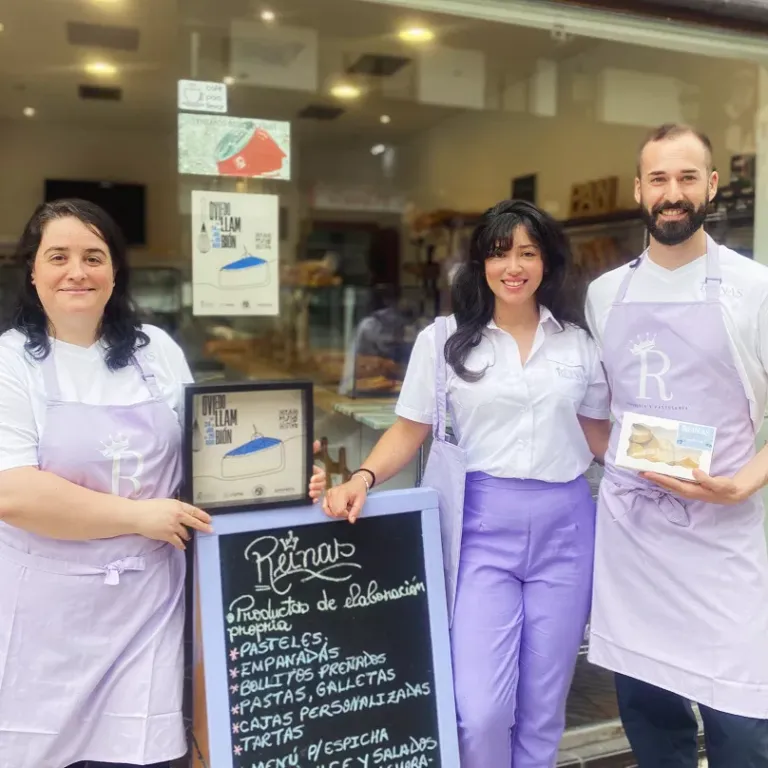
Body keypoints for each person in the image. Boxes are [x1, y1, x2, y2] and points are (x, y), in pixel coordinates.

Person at [0, 199, 326, 768]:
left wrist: (285, 473)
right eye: (59, 256)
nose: (77, 271)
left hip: (149, 606)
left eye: (93, 256)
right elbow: (15, 492)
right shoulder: (10, 363)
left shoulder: (155, 351)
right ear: (32, 270)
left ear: (115, 270)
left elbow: (206, 454)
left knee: (142, 753)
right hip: (47, 614)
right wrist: (139, 517)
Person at [322, 199, 611, 768]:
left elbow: (600, 437)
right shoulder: (446, 340)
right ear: (480, 263)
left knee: (543, 704)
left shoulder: (578, 342)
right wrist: (362, 477)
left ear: (548, 262)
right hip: (481, 530)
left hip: (567, 528)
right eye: (500, 253)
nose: (513, 266)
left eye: (527, 253)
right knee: (478, 708)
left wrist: (671, 468)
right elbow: (409, 431)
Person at [585, 123, 768, 766]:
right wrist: (620, 461)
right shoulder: (605, 294)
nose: (673, 193)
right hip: (635, 539)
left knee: (743, 727)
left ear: (711, 186)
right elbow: (596, 408)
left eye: (687, 177)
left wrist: (744, 481)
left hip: (725, 538)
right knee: (649, 715)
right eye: (659, 178)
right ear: (640, 189)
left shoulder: (755, 289)